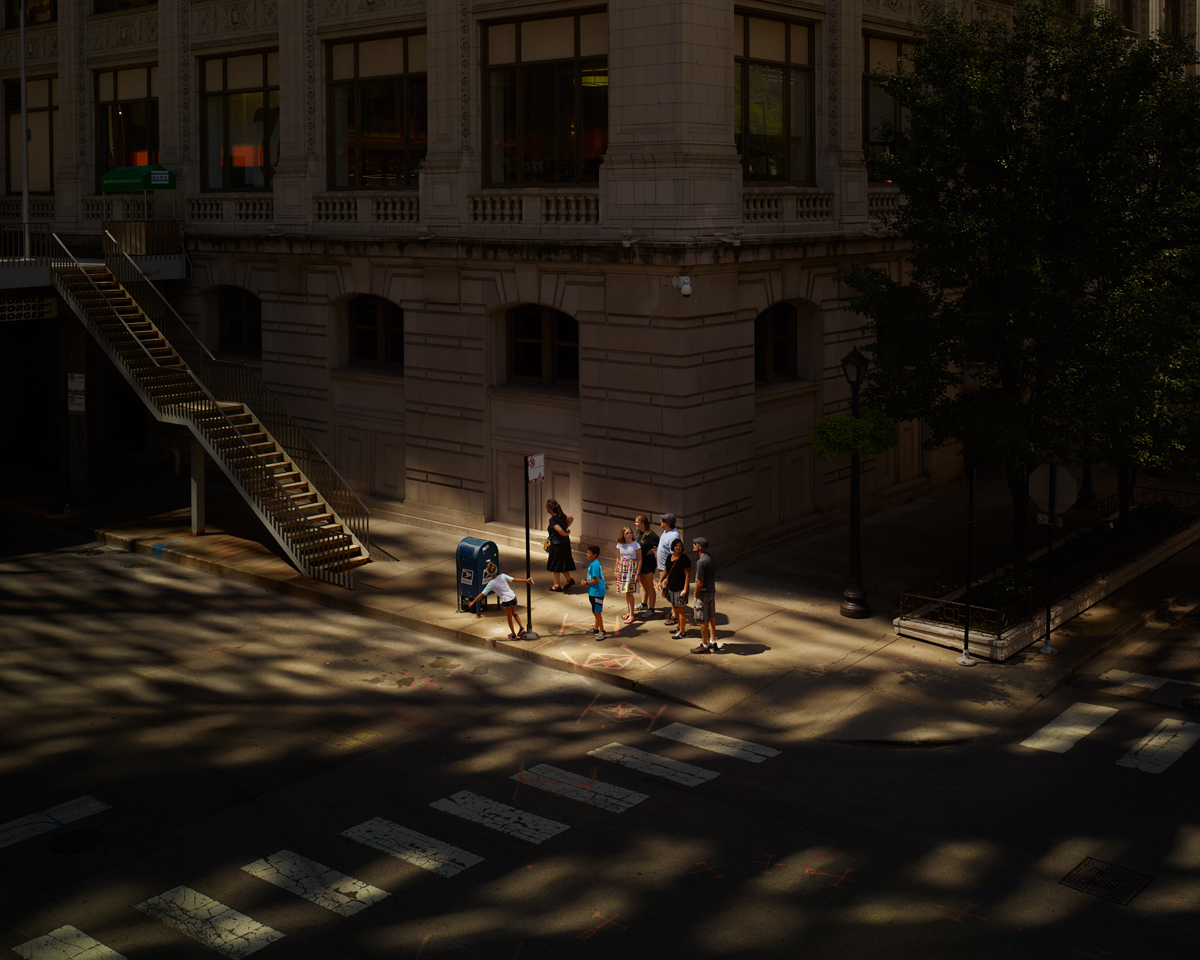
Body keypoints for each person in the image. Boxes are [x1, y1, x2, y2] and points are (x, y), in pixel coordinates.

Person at [467, 571, 534, 639]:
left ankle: (513, 635)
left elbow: (482, 594)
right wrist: (526, 581)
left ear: (489, 574)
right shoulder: (503, 576)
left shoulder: (491, 583)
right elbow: (515, 580)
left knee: (509, 617)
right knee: (514, 612)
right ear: (496, 571)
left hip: (506, 600)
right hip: (513, 597)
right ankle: (521, 628)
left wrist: (473, 602)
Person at [690, 537, 719, 654]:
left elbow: (699, 582)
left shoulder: (701, 562)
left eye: (695, 544)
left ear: (700, 547)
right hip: (711, 591)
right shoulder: (710, 557)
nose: (693, 545)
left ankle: (705, 645)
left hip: (704, 593)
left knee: (703, 619)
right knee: (712, 616)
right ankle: (712, 640)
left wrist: (696, 594)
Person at [657, 538, 691, 640]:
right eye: (676, 546)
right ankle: (679, 627)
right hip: (671, 587)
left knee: (681, 610)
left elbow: (688, 576)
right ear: (673, 547)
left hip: (680, 588)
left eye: (680, 546)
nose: (678, 548)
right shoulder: (669, 557)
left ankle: (682, 632)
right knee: (675, 608)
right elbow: (666, 571)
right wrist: (660, 581)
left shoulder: (685, 559)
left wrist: (685, 589)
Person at [545, 499, 576, 592]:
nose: (546, 508)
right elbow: (571, 518)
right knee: (563, 563)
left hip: (557, 545)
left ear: (550, 508)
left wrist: (565, 532)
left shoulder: (553, 520)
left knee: (555, 565)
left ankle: (556, 585)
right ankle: (569, 580)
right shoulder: (562, 516)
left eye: (546, 507)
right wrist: (566, 527)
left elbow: (560, 531)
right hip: (565, 543)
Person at [655, 514, 682, 625]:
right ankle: (673, 611)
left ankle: (675, 617)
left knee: (671, 593)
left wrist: (670, 571)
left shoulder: (673, 536)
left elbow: (675, 555)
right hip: (663, 568)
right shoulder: (666, 532)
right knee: (668, 592)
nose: (661, 521)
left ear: (668, 523)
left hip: (669, 570)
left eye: (663, 520)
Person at [612, 526, 642, 624]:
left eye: (630, 533)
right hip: (623, 569)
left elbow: (640, 560)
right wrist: (616, 571)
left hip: (631, 570)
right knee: (626, 592)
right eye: (627, 533)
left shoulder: (636, 545)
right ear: (623, 535)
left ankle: (632, 615)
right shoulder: (620, 545)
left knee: (630, 592)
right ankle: (629, 612)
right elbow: (618, 558)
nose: (629, 535)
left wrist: (637, 573)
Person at [634, 514, 659, 617]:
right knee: (643, 584)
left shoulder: (651, 535)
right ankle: (644, 604)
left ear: (643, 524)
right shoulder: (639, 532)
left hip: (649, 563)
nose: (635, 523)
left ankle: (651, 609)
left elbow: (660, 543)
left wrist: (653, 550)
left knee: (649, 586)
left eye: (637, 522)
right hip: (641, 563)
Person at [583, 545, 607, 640]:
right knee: (595, 611)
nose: (587, 554)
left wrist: (586, 583)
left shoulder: (595, 565)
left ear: (594, 555)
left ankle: (602, 631)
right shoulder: (592, 563)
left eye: (589, 553)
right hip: (593, 591)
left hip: (597, 592)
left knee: (597, 612)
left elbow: (596, 580)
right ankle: (596, 629)